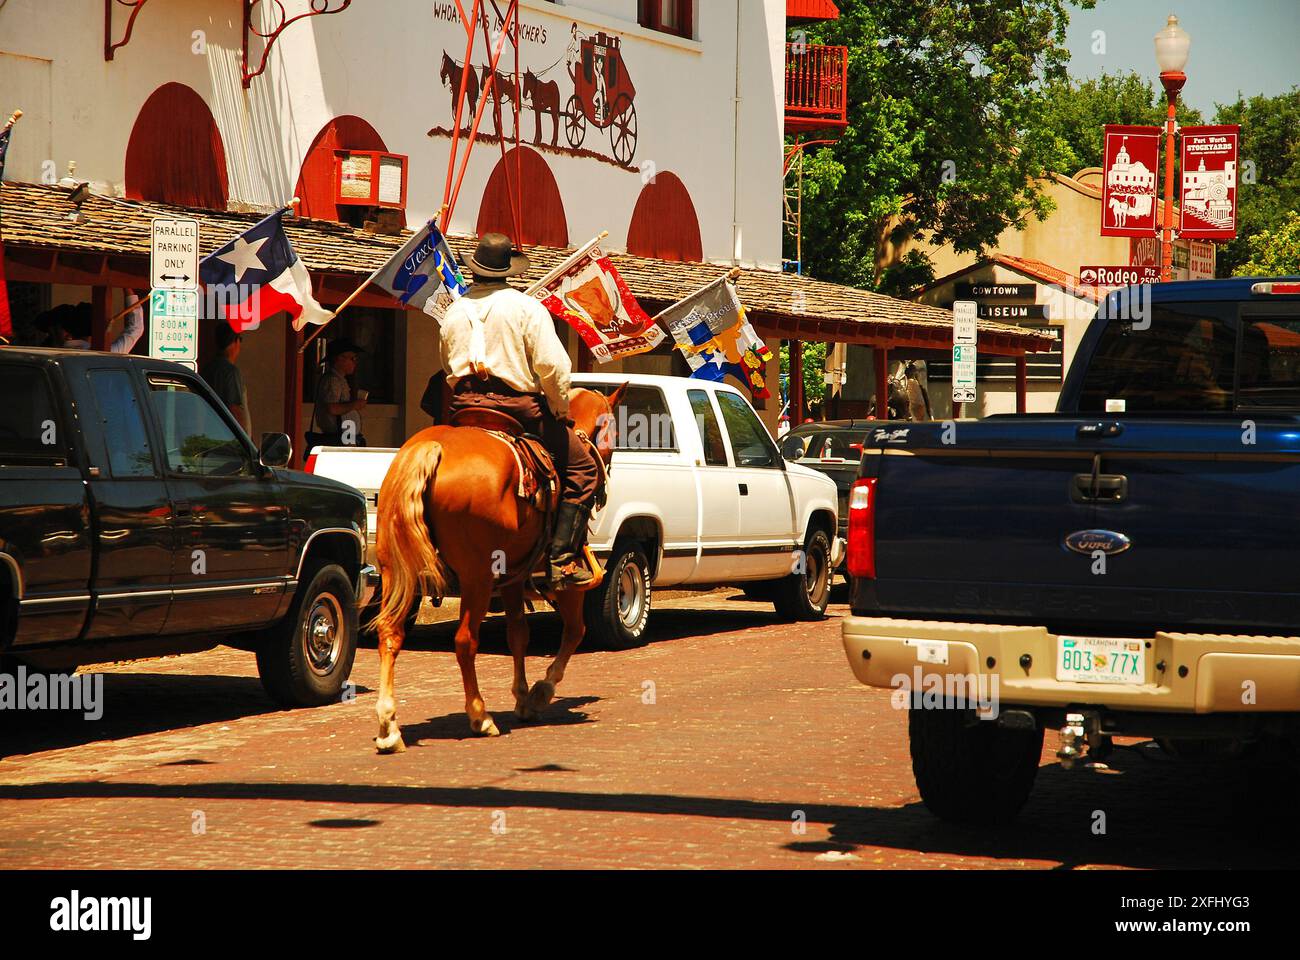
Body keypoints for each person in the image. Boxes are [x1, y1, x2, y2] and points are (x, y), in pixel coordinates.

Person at [435, 232, 599, 588]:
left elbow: (447, 364)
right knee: (584, 469)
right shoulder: (527, 308)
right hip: (516, 410)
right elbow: (554, 368)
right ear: (507, 270)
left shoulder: (454, 310)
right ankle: (561, 561)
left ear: (475, 269)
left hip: (463, 408)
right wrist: (558, 408)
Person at [310, 337, 368, 448]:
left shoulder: (340, 379)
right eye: (352, 358)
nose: (355, 363)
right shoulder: (333, 380)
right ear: (340, 359)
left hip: (347, 432)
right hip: (341, 435)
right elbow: (332, 408)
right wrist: (355, 405)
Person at [46, 294, 145, 353]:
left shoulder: (55, 354)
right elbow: (135, 329)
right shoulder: (105, 354)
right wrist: (126, 288)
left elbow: (135, 329)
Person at [201, 321, 252, 436]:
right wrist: (245, 441)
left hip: (209, 435)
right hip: (230, 442)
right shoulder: (230, 371)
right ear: (235, 342)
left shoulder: (207, 369)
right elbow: (234, 408)